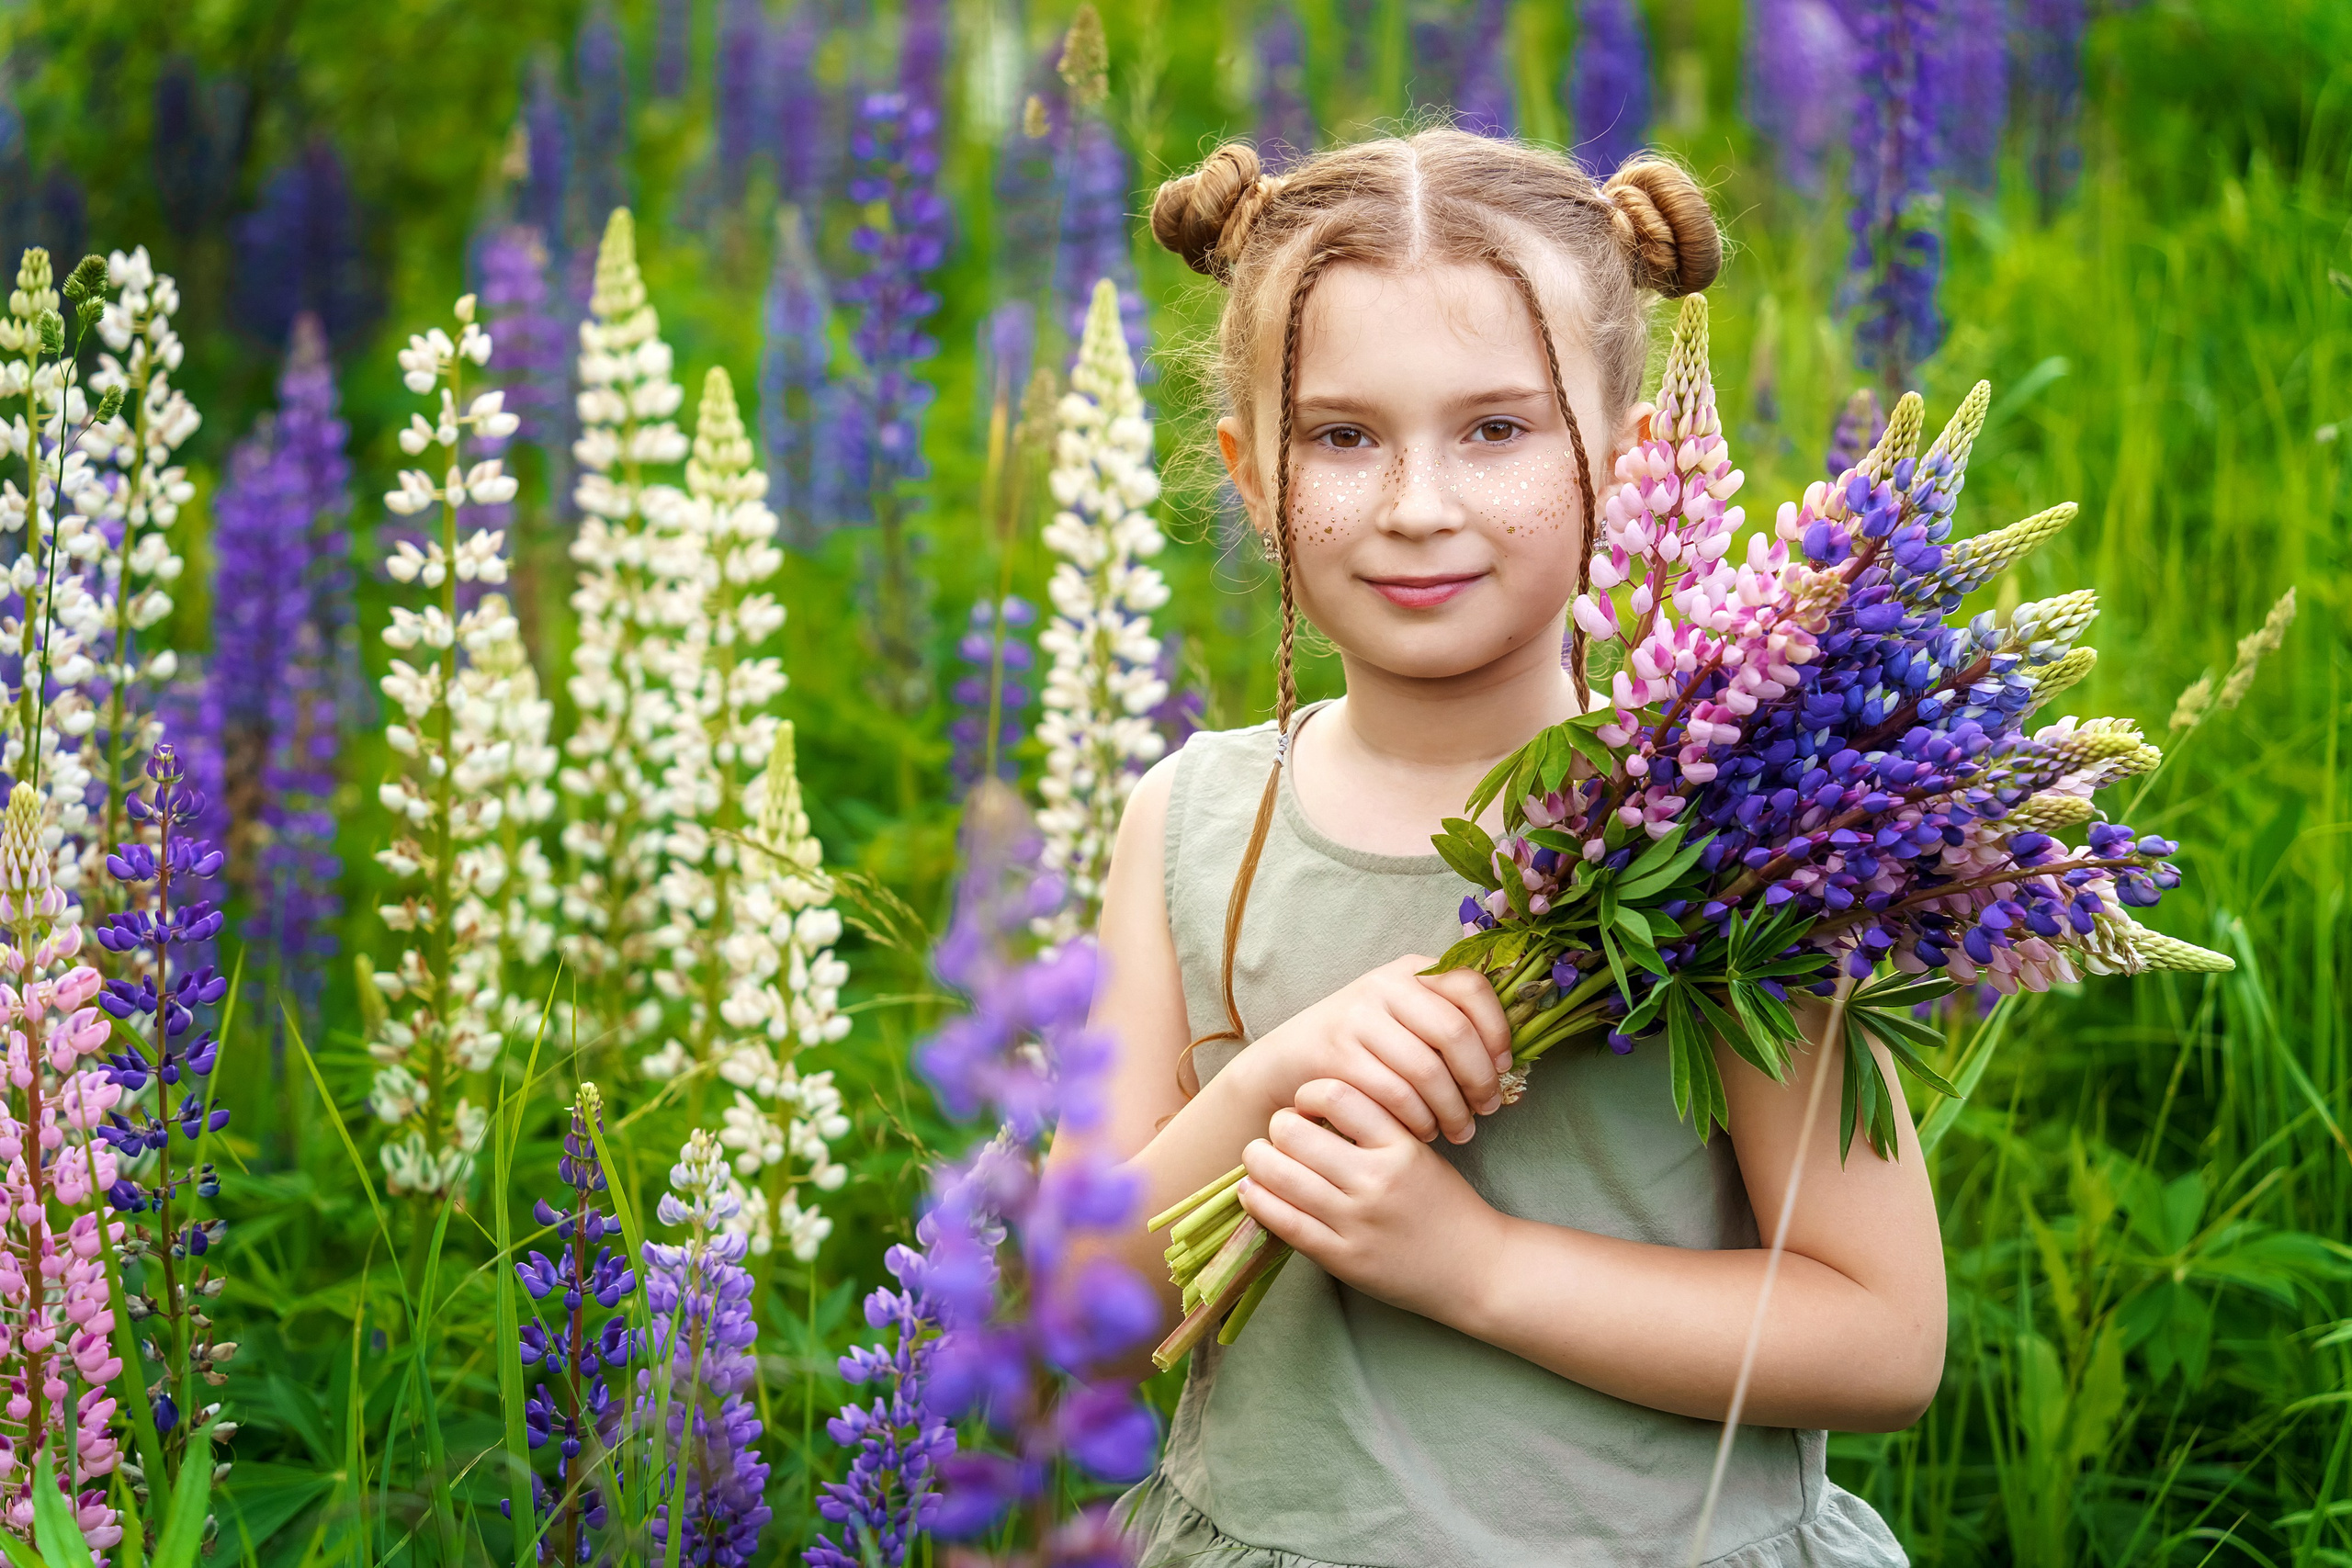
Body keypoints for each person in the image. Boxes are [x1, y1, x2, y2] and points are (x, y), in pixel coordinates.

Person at [1045, 128, 1944, 1567]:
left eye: (1497, 429)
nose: (1419, 505)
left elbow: (1886, 1335)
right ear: (1251, 471)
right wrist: (1281, 1077)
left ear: (1629, 447)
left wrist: (1477, 1266)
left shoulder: (1742, 817)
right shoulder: (1191, 824)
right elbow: (1070, 1317)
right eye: (1342, 435)